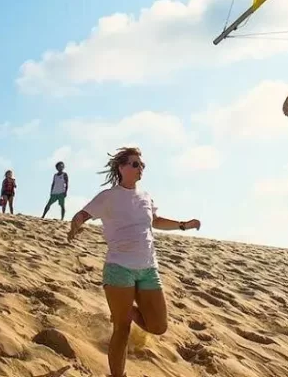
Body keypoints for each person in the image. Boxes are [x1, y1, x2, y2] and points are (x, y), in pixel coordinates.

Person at [67, 147, 200, 377]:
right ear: (121, 168)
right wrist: (75, 226)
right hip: (119, 268)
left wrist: (182, 224)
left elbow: (156, 220)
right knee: (122, 328)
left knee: (158, 326)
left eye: (142, 165)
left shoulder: (146, 197)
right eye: (135, 164)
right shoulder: (108, 197)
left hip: (148, 268)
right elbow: (83, 215)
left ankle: (125, 310)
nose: (141, 169)